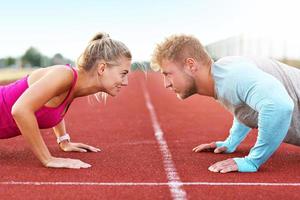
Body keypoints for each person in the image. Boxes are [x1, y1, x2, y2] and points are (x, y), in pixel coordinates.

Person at [151, 34, 300, 173]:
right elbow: (246, 106)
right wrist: (231, 141)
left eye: (168, 74)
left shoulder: (233, 76)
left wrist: (253, 160)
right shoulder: (224, 75)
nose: (166, 84)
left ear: (191, 65)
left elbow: (280, 106)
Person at [0, 32, 132, 169]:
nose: (126, 82)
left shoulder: (74, 85)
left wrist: (64, 140)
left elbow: (54, 104)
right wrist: (48, 159)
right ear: (102, 68)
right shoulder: (64, 75)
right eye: (123, 74)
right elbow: (20, 110)